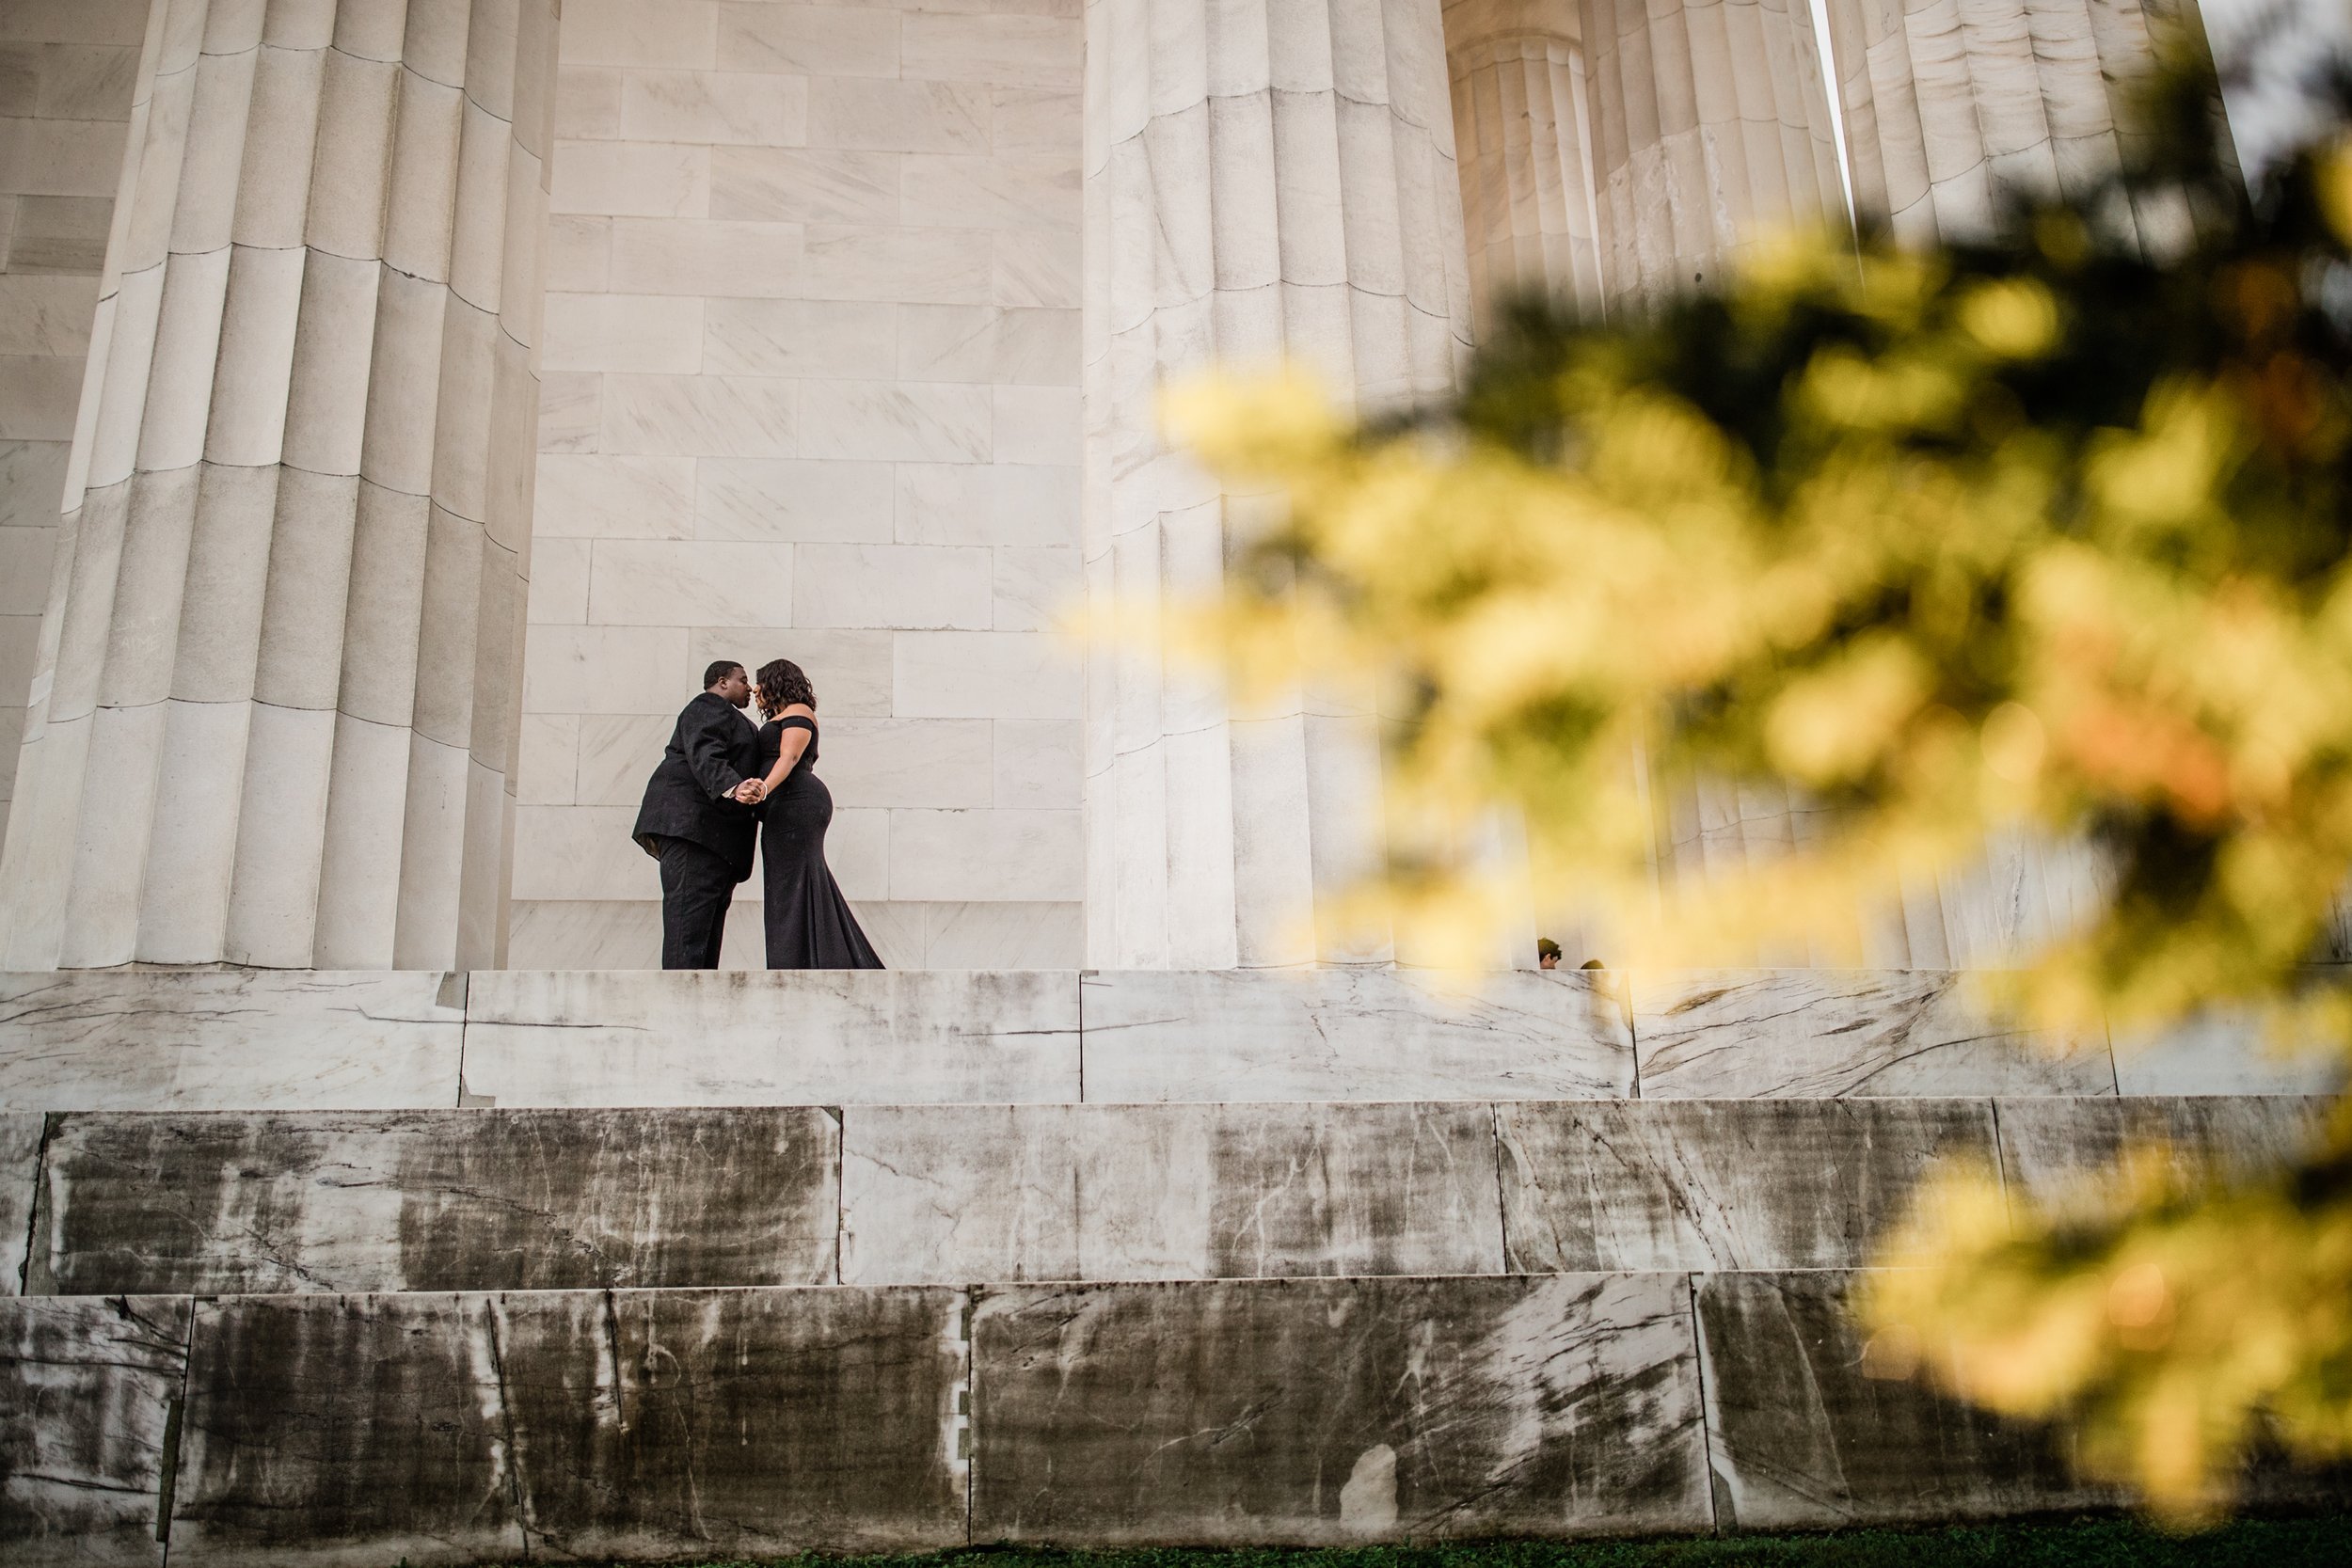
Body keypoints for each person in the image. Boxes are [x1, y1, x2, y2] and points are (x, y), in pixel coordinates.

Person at [733, 657, 884, 969]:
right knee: (789, 881)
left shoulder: (799, 712)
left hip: (797, 802)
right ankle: (801, 959)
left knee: (794, 879)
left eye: (760, 681)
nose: (756, 689)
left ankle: (809, 960)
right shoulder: (782, 716)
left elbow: (788, 757)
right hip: (782, 808)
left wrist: (763, 787)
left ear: (776, 681)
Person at [632, 660, 763, 968]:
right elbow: (705, 749)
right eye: (743, 680)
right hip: (694, 833)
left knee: (704, 939)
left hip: (715, 841)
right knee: (687, 933)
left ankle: (696, 1007)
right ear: (722, 682)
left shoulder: (731, 718)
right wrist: (734, 786)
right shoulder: (709, 706)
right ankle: (678, 1007)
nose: (750, 687)